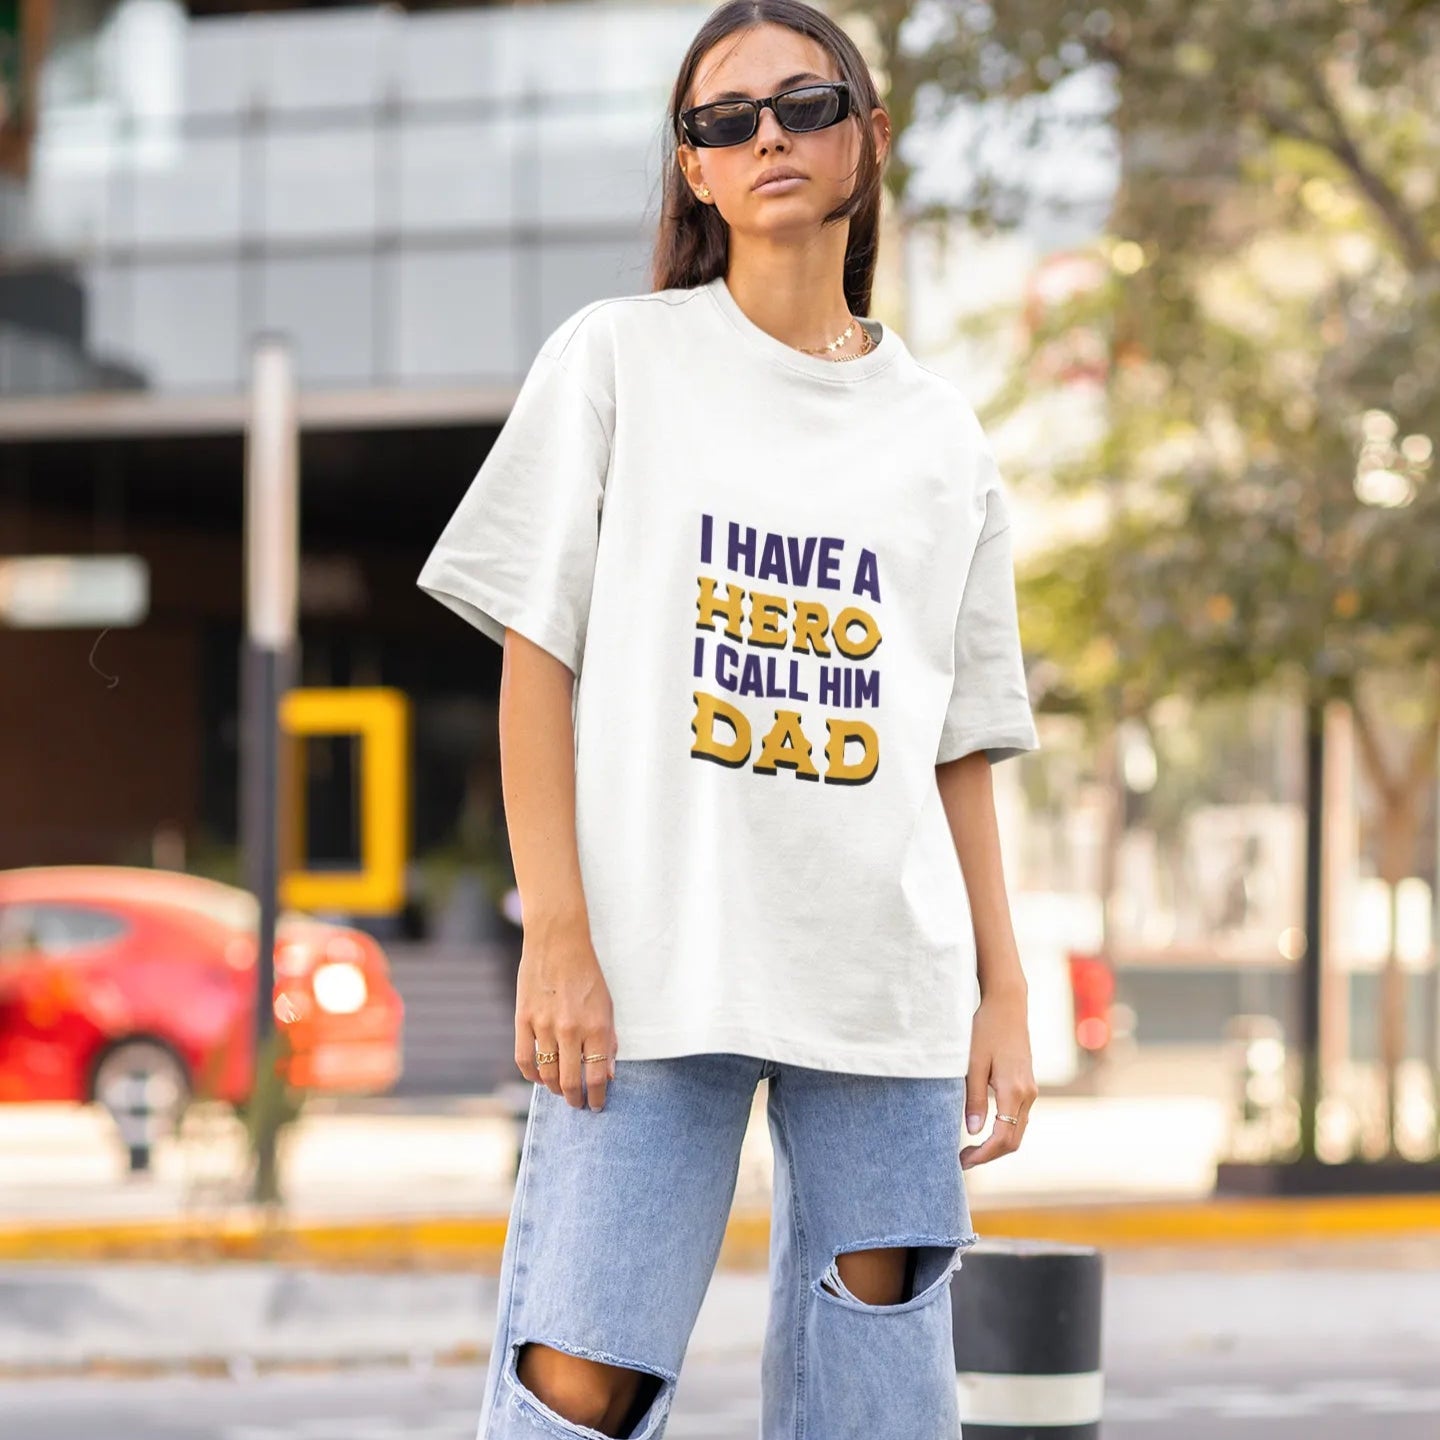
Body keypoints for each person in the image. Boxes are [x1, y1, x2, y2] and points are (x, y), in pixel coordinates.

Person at [416, 3, 1042, 1435]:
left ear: (868, 140)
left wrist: (1004, 986)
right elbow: (538, 663)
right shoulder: (617, 360)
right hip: (648, 974)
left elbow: (955, 744)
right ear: (693, 169)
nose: (767, 135)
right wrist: (557, 934)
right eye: (722, 118)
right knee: (582, 1381)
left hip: (878, 986)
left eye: (805, 103)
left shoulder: (941, 436)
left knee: (878, 1389)